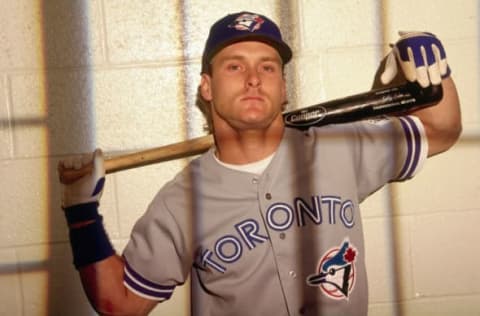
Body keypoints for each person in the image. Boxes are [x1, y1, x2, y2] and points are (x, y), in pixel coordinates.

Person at [58, 11, 461, 316]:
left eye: (267, 67)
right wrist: (80, 212)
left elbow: (441, 130)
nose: (253, 78)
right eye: (235, 66)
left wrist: (435, 73)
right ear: (207, 87)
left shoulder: (340, 148)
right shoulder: (181, 201)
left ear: (283, 87)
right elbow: (119, 302)